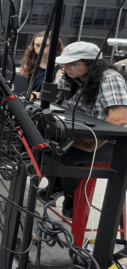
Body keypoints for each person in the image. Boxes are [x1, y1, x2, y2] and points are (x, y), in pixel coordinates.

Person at [52, 42, 127, 218]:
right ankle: (57, 184)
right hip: (74, 134)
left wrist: (93, 143)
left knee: (61, 155)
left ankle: (70, 194)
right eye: (65, 64)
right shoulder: (67, 77)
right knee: (38, 145)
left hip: (106, 142)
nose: (67, 68)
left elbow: (120, 117)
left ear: (91, 64)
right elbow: (53, 99)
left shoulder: (109, 78)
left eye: (73, 64)